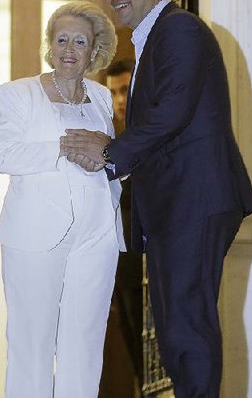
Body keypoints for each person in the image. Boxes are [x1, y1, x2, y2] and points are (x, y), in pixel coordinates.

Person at [61, 0, 252, 398]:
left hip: (197, 198)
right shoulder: (155, 36)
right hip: (181, 201)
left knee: (186, 321)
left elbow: (172, 110)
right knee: (174, 325)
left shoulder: (180, 30)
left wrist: (110, 154)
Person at [0, 0, 124, 397]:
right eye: (61, 39)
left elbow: (114, 159)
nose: (69, 49)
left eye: (79, 42)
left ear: (93, 50)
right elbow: (3, 155)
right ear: (49, 46)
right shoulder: (18, 94)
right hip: (35, 233)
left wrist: (105, 158)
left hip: (97, 232)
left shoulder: (101, 97)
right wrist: (63, 147)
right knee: (31, 343)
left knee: (84, 342)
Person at [102, 58, 144, 393]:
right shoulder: (113, 140)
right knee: (138, 363)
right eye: (114, 91)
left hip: (149, 267)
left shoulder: (149, 136)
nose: (119, 99)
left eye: (125, 90)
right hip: (120, 270)